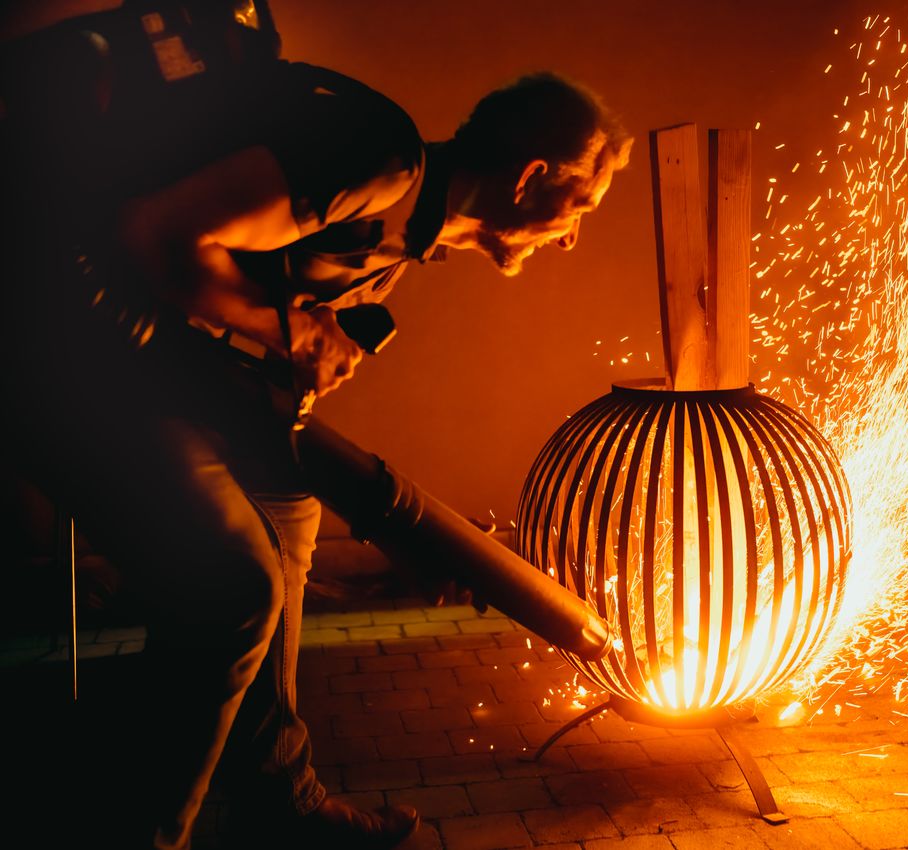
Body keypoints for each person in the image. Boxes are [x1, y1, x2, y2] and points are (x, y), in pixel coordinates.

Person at [0, 7, 631, 849]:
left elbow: (249, 358)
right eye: (579, 203)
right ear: (530, 177)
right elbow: (156, 237)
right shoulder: (383, 159)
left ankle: (279, 799)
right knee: (232, 586)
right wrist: (297, 332)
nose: (574, 233)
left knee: (289, 517)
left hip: (126, 347)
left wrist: (404, 540)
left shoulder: (396, 245)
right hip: (51, 335)